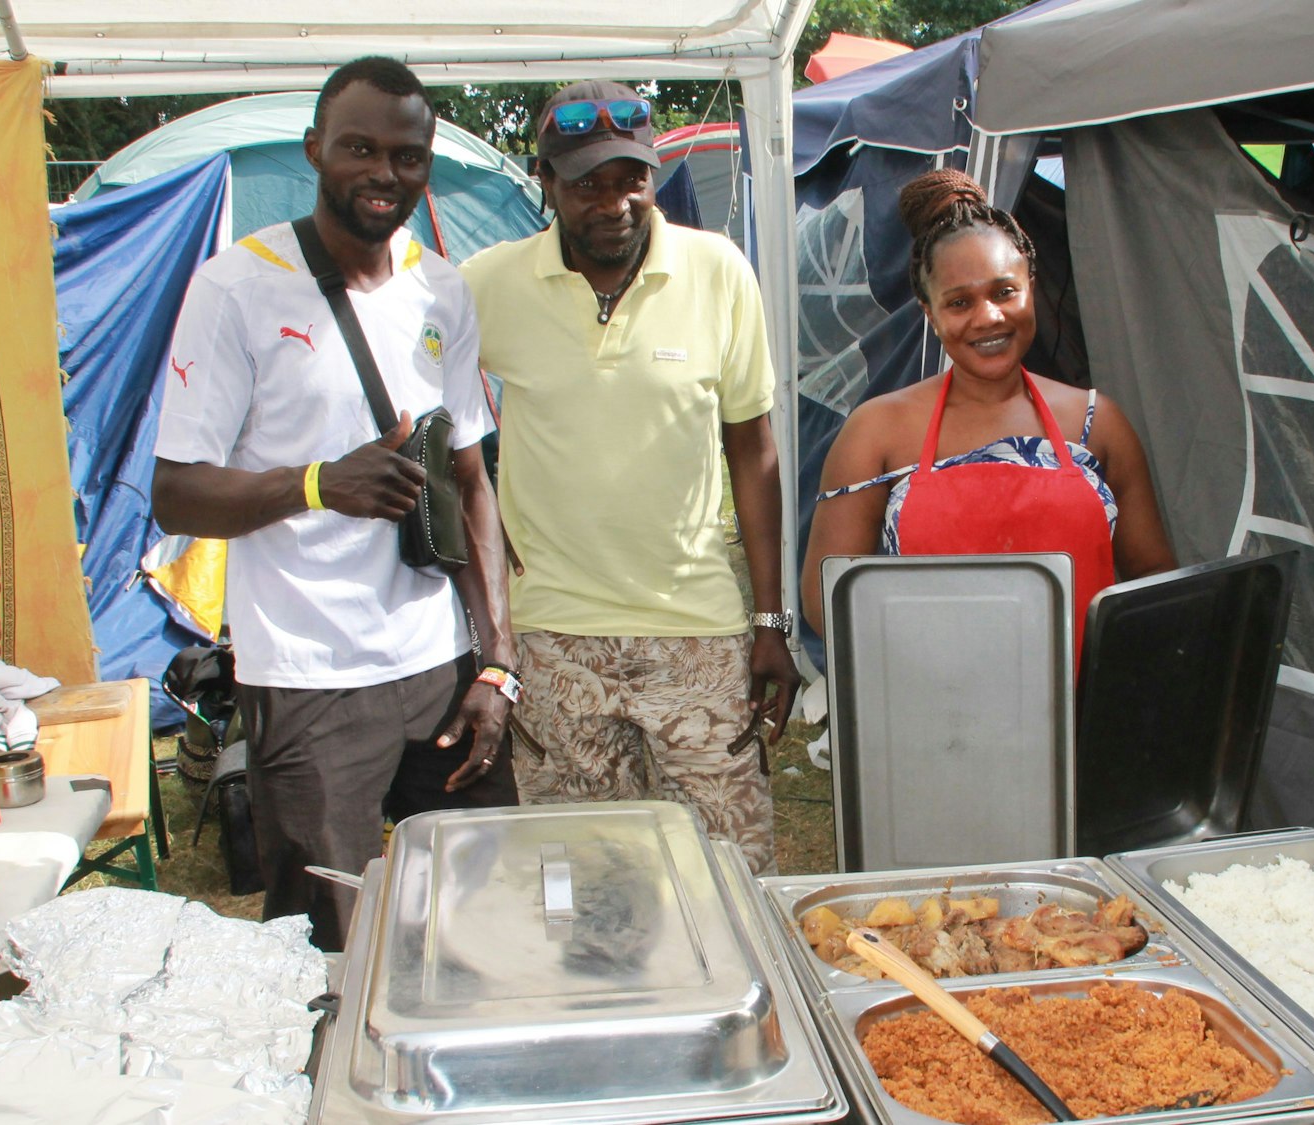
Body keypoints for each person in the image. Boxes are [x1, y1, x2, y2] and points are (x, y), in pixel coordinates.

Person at [152, 57, 516, 951]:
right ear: (316, 148)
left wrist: (497, 664)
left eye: (408, 155)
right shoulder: (236, 287)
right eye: (359, 148)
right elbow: (175, 494)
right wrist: (318, 483)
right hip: (308, 677)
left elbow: (470, 480)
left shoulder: (443, 288)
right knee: (328, 940)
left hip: (439, 667)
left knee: (485, 913)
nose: (384, 174)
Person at [459, 80, 797, 875]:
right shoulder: (487, 284)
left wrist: (771, 620)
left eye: (630, 180)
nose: (613, 203)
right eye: (586, 185)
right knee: (581, 881)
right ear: (544, 182)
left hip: (697, 632)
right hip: (552, 639)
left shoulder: (717, 271)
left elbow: (753, 448)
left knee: (731, 871)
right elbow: (432, 420)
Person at [802, 169, 1176, 650]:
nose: (988, 318)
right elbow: (826, 601)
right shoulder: (877, 431)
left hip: (1085, 708)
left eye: (1004, 292)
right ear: (929, 312)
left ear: (1031, 286)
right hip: (936, 707)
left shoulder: (1096, 424)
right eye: (959, 302)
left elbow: (1153, 577)